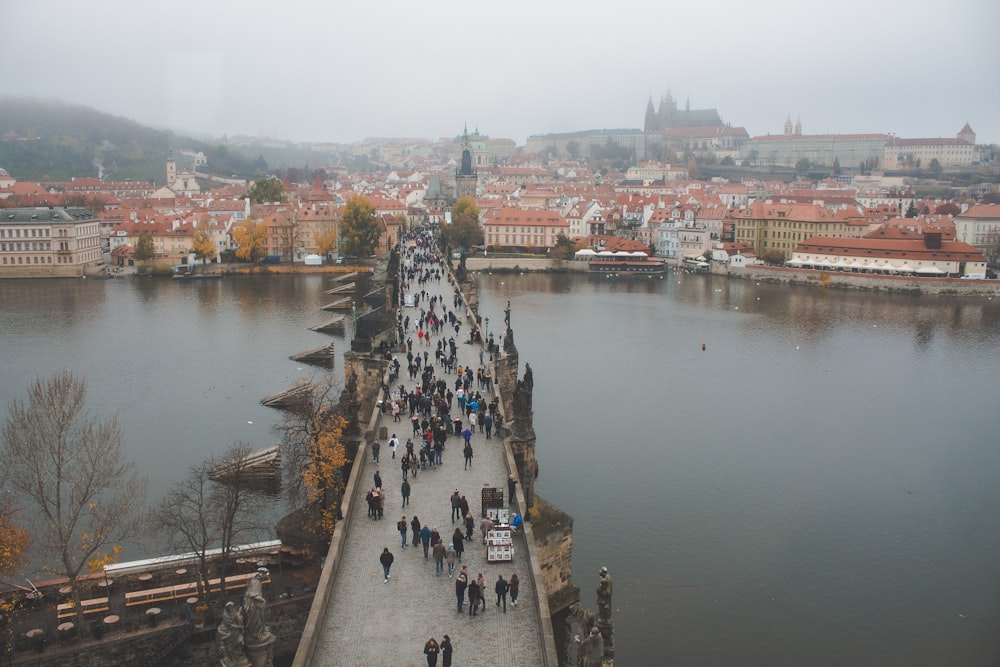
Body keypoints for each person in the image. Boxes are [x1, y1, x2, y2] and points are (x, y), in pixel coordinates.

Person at [243, 567, 270, 642]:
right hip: (252, 605)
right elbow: (253, 594)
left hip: (255, 604)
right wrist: (262, 599)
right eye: (265, 575)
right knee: (255, 619)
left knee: (259, 618)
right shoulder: (255, 582)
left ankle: (259, 631)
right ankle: (255, 633)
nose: (265, 577)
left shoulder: (256, 581)